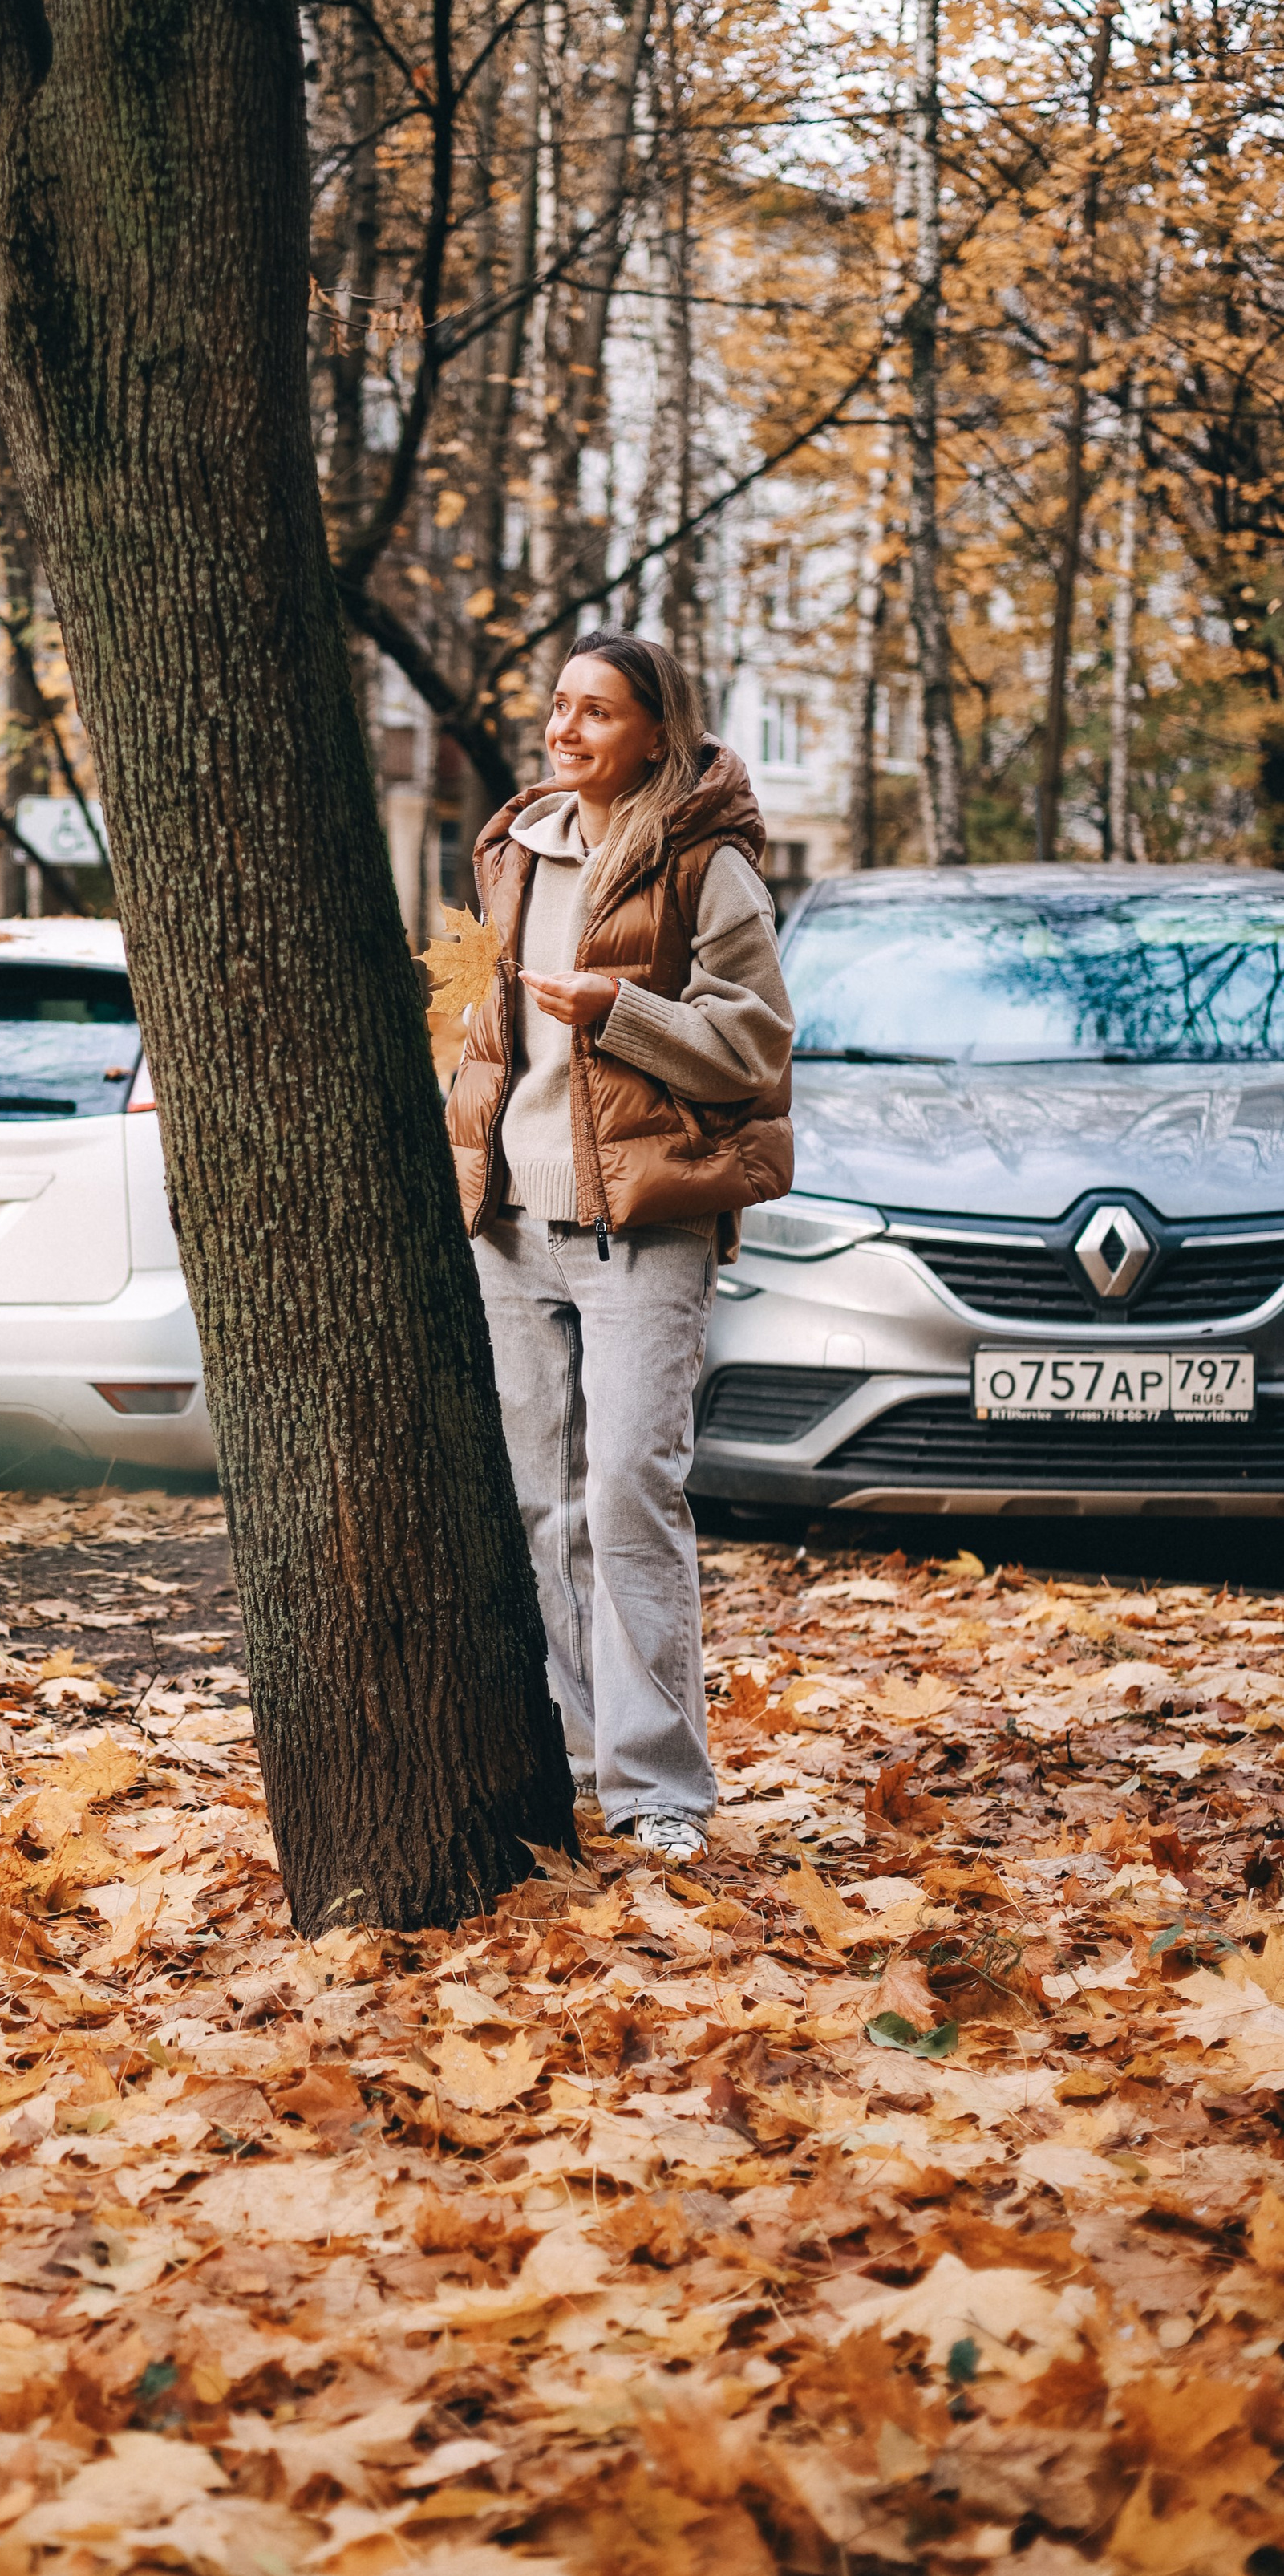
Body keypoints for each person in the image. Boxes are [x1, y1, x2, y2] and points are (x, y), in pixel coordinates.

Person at [444, 632, 795, 1866]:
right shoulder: (516, 849)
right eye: (557, 707)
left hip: (644, 1225)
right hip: (509, 1227)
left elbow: (755, 1048)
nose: (565, 730)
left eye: (597, 712)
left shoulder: (708, 866)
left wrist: (622, 1012)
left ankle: (661, 1791)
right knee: (537, 1505)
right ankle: (579, 1761)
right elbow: (488, 1042)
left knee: (631, 1494)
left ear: (657, 731)